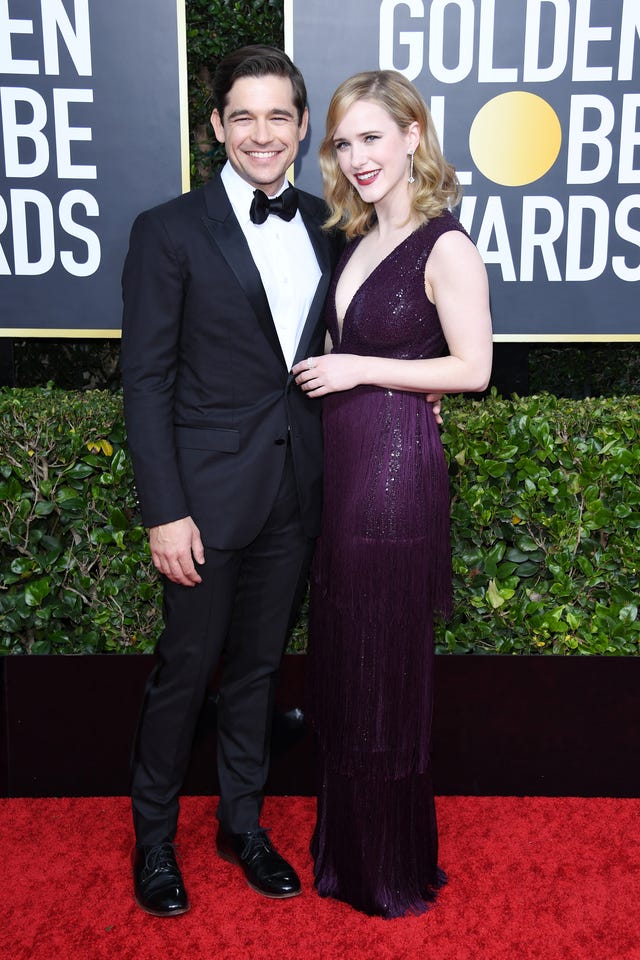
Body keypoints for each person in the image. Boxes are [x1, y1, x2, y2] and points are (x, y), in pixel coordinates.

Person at [120, 45, 342, 917]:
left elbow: (343, 351)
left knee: (257, 672)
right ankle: (153, 842)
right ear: (215, 127)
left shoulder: (330, 222)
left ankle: (242, 824)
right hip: (204, 506)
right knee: (185, 672)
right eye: (241, 116)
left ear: (300, 126)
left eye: (278, 115)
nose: (261, 133)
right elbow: (146, 381)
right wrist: (164, 511)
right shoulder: (167, 230)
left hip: (296, 492)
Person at [292, 70, 493, 918]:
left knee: (380, 667)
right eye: (343, 142)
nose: (357, 156)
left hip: (392, 478)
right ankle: (351, 853)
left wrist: (360, 367)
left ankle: (388, 869)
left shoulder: (445, 244)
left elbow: (474, 369)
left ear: (414, 136)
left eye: (373, 136)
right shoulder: (355, 237)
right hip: (346, 477)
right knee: (346, 657)